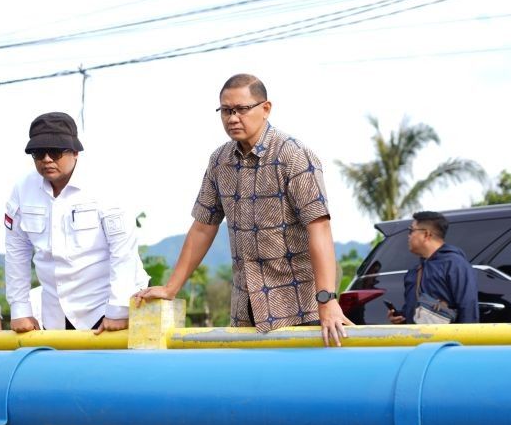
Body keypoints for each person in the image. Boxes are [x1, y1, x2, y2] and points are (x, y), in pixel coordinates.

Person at [134, 73, 352, 348]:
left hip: (301, 309)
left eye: (241, 109)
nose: (232, 118)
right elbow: (203, 226)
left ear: (266, 108)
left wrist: (327, 300)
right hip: (246, 310)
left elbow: (318, 226)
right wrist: (170, 288)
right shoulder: (220, 161)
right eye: (226, 111)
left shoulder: (293, 155)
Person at [5, 111, 149, 334]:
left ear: (75, 152)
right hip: (55, 312)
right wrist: (19, 309)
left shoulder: (106, 185)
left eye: (54, 152)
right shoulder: (23, 189)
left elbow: (123, 250)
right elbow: (16, 250)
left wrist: (119, 309)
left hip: (107, 304)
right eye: (37, 153)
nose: (46, 159)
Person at [388, 211, 479, 324]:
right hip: (418, 340)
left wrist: (465, 340)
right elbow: (415, 314)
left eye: (411, 230)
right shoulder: (414, 272)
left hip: (446, 340)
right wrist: (401, 318)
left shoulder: (455, 264)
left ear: (426, 234)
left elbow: (468, 309)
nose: (408, 235)